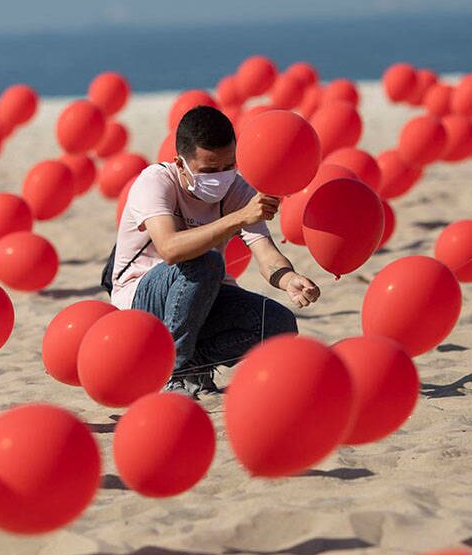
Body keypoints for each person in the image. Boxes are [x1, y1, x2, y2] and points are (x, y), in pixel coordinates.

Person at [110, 105, 321, 397]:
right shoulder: (156, 181)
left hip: (202, 298)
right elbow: (170, 248)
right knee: (206, 262)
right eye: (209, 170)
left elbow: (265, 253)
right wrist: (237, 218)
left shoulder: (237, 189)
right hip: (141, 300)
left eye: (228, 167)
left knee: (279, 324)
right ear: (181, 164)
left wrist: (289, 279)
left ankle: (196, 365)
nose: (221, 177)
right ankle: (176, 372)